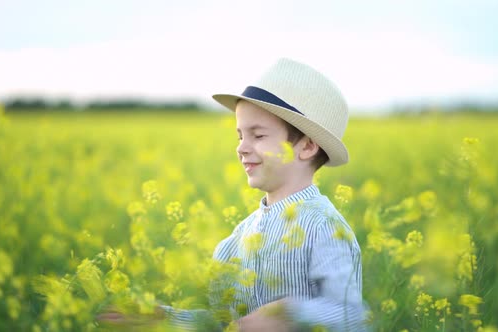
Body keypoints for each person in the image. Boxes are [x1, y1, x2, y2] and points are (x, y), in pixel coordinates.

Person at [98, 58, 369, 331]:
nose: (241, 148)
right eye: (240, 135)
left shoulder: (325, 228)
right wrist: (163, 318)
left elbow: (352, 315)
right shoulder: (236, 239)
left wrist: (290, 314)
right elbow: (225, 324)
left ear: (308, 146)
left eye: (258, 136)